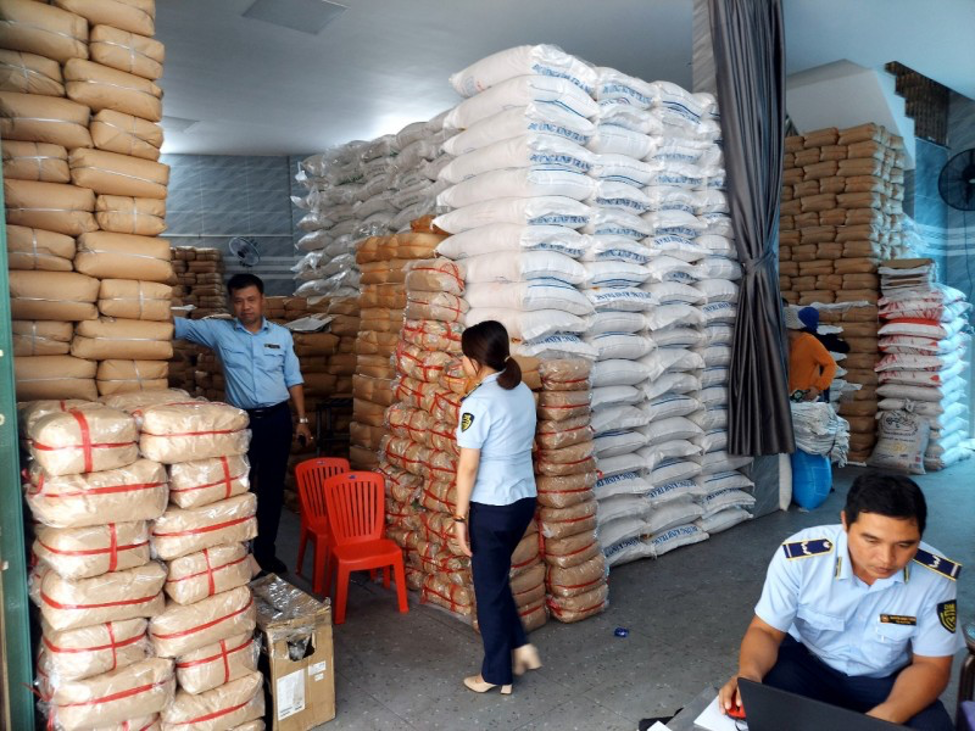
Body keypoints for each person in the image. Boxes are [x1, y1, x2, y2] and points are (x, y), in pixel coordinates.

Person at [718, 472, 963, 730]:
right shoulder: (802, 558)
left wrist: (886, 717)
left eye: (904, 545)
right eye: (871, 540)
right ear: (845, 522)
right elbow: (766, 631)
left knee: (933, 726)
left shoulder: (935, 579)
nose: (886, 559)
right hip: (807, 667)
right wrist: (749, 675)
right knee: (751, 706)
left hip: (886, 683)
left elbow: (931, 665)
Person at [174, 272, 313, 575]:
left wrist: (301, 420)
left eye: (251, 300)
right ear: (231, 303)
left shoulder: (281, 336)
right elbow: (176, 326)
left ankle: (266, 554)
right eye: (239, 301)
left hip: (277, 420)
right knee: (240, 488)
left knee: (272, 490)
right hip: (241, 424)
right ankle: (240, 555)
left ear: (263, 300)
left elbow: (293, 378)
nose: (246, 306)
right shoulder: (218, 331)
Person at [451, 320, 541, 695]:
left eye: (463, 357)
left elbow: (468, 467)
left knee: (488, 593)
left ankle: (495, 675)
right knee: (496, 580)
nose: (461, 364)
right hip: (523, 501)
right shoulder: (522, 391)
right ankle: (520, 648)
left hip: (492, 507)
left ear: (474, 361)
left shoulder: (477, 404)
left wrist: (459, 517)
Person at [786, 305, 837, 402]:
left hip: (808, 398)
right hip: (792, 399)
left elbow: (831, 365)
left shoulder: (809, 342)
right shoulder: (785, 345)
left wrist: (818, 388)